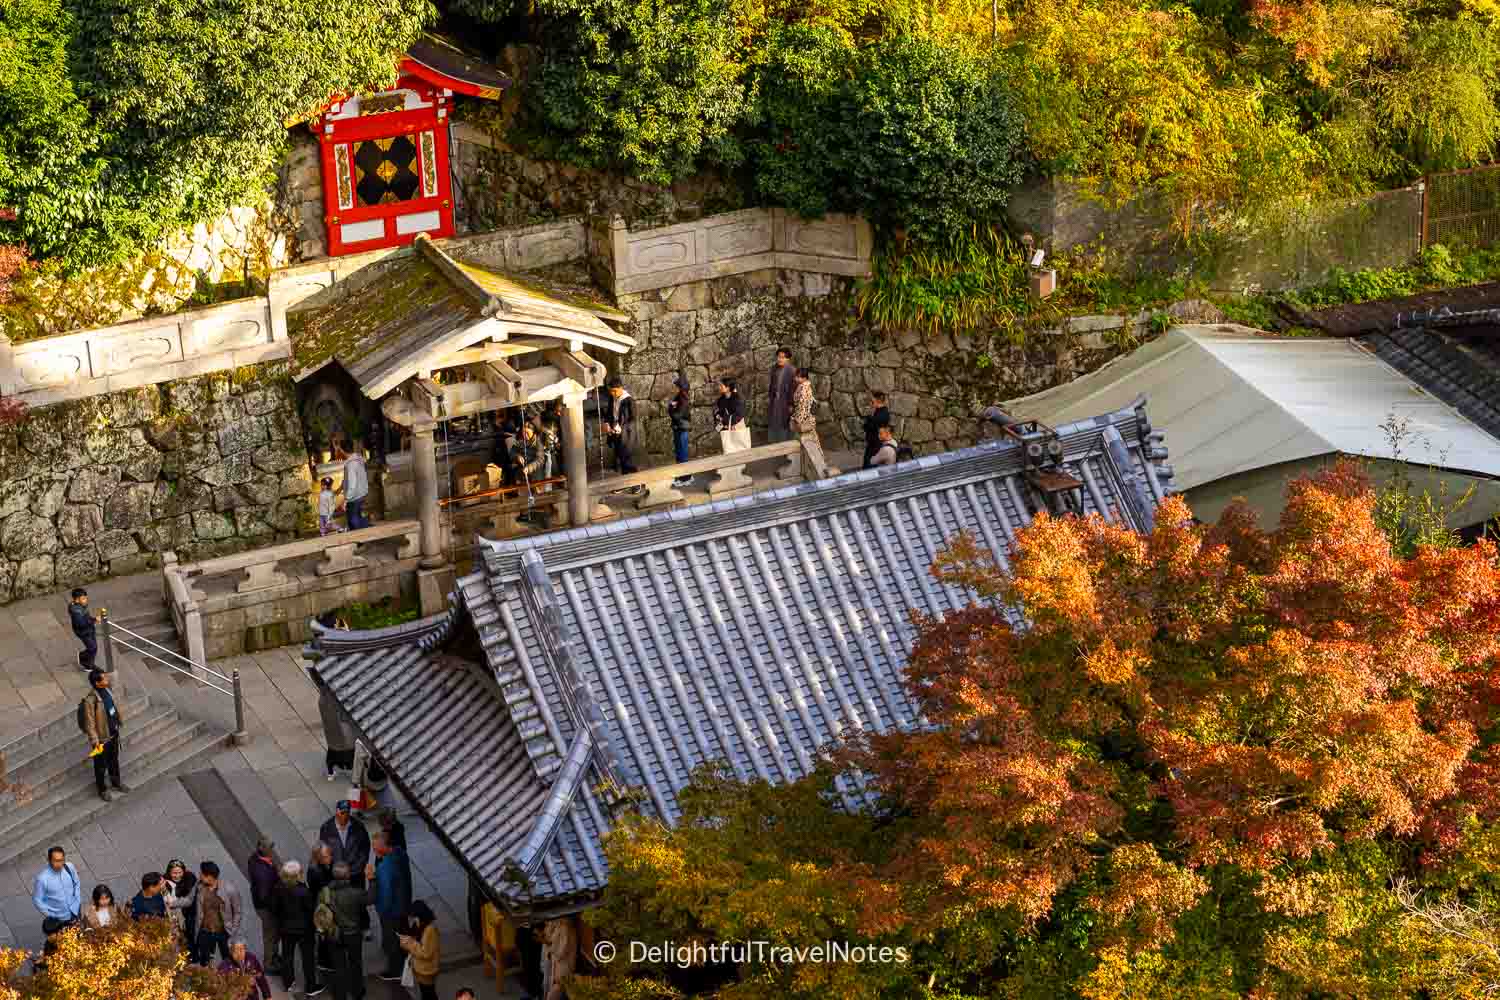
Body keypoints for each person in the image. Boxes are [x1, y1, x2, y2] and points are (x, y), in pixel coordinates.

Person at [272, 860, 323, 996]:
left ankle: (289, 983)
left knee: (287, 956)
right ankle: (311, 986)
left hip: (286, 929)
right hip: (304, 930)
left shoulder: (278, 888)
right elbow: (311, 909)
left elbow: (275, 908)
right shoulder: (303, 891)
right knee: (308, 958)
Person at [369, 831, 413, 981]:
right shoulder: (400, 853)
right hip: (403, 904)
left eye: (375, 847)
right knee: (403, 935)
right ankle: (408, 959)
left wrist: (382, 911)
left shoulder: (384, 867)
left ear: (383, 846)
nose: (373, 849)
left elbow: (386, 894)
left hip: (391, 912)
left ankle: (395, 971)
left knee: (392, 941)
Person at [324, 862, 369, 1000]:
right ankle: (357, 991)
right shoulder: (355, 893)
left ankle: (340, 995)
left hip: (334, 933)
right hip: (353, 934)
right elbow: (371, 898)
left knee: (338, 966)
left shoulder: (326, 892)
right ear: (347, 876)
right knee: (355, 963)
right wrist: (372, 880)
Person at [82, 668, 128, 802]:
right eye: (103, 678)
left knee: (114, 760)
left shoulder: (108, 690)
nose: (107, 679)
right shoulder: (90, 701)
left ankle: (116, 782)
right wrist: (95, 741)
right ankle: (102, 789)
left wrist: (119, 721)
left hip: (113, 733)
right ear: (97, 683)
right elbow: (90, 724)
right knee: (100, 765)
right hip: (101, 739)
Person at [194, 860, 243, 965]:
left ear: (210, 877)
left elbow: (237, 912)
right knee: (204, 961)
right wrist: (172, 903)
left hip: (223, 932)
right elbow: (188, 900)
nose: (200, 876)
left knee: (229, 959)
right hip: (205, 930)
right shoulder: (200, 887)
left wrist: (233, 930)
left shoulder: (230, 889)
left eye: (202, 874)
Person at [248, 837, 283, 977]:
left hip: (261, 904)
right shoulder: (263, 873)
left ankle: (273, 956)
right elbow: (265, 895)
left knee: (272, 933)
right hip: (266, 908)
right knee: (271, 935)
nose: (272, 850)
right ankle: (269, 964)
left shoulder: (254, 858)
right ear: (262, 848)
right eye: (269, 847)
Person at [312, 669, 356, 781]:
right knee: (347, 746)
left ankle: (331, 772)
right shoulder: (339, 692)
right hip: (343, 729)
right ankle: (347, 768)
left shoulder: (323, 697)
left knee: (334, 748)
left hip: (333, 730)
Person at [318, 801, 372, 889]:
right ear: (336, 812)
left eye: (347, 812)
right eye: (342, 813)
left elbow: (364, 850)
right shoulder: (326, 828)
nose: (345, 816)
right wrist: (335, 871)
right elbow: (324, 852)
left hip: (355, 877)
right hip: (335, 878)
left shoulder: (358, 827)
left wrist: (353, 871)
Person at [31, 846, 80, 938]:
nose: (59, 864)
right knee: (62, 941)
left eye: (61, 860)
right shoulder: (42, 879)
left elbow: (76, 882)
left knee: (77, 936)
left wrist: (77, 901)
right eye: (56, 861)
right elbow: (37, 900)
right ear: (49, 860)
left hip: (75, 911)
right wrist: (51, 914)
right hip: (60, 919)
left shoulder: (69, 867)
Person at [398, 900, 441, 1000]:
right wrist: (408, 940)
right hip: (421, 968)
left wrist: (409, 944)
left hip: (426, 969)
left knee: (428, 993)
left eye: (415, 917)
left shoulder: (430, 930)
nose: (413, 919)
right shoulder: (421, 925)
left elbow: (425, 953)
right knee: (426, 992)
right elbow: (416, 940)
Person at [307, 842, 337, 975]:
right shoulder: (317, 872)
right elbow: (325, 891)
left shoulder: (320, 866)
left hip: (321, 902)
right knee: (325, 933)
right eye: (327, 855)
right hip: (322, 905)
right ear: (319, 857)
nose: (330, 857)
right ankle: (325, 961)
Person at [603, 378, 638, 476]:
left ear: (621, 388)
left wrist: (621, 427)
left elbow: (633, 419)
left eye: (615, 391)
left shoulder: (629, 401)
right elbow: (609, 413)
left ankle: (637, 484)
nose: (613, 393)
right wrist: (606, 423)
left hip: (627, 434)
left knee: (627, 459)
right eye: (611, 391)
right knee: (620, 458)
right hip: (616, 432)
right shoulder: (612, 398)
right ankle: (625, 481)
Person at [335, 439, 370, 530]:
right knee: (361, 522)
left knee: (355, 526)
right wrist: (340, 488)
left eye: (338, 449)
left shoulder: (351, 464)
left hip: (354, 498)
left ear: (342, 450)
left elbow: (352, 484)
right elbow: (349, 479)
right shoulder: (358, 459)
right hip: (361, 494)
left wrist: (345, 500)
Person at [164, 858, 197, 950]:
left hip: (190, 907)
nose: (177, 876)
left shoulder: (190, 877)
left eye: (180, 872)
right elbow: (167, 903)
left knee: (191, 927)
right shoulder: (165, 882)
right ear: (169, 873)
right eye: (174, 873)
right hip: (175, 909)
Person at [667, 373, 692, 486]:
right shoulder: (680, 396)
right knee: (680, 452)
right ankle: (683, 476)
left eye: (677, 386)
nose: (675, 388)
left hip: (681, 427)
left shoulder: (683, 398)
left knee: (682, 453)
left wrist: (671, 408)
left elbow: (677, 414)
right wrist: (672, 408)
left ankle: (685, 478)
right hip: (679, 427)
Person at [767, 347, 796, 443]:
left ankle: (786, 446)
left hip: (785, 401)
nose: (780, 359)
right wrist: (770, 397)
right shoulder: (774, 368)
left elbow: (793, 389)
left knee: (785, 423)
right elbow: (771, 385)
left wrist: (791, 404)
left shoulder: (792, 371)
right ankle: (774, 444)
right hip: (775, 400)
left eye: (783, 357)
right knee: (774, 421)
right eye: (778, 357)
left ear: (788, 359)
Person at [713, 377, 749, 454]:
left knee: (739, 450)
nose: (719, 387)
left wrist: (727, 422)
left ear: (728, 388)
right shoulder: (721, 400)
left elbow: (739, 414)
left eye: (721, 386)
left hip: (736, 427)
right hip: (726, 427)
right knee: (728, 449)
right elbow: (718, 412)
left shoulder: (737, 399)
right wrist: (717, 416)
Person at [68, 588, 98, 671]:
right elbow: (82, 624)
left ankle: (87, 661)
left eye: (86, 598)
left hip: (89, 629)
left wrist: (92, 620)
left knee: (93, 647)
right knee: (93, 648)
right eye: (83, 598)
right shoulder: (76, 612)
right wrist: (94, 620)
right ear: (77, 600)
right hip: (83, 632)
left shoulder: (80, 606)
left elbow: (86, 617)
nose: (86, 600)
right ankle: (86, 663)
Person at [862, 391, 892, 469]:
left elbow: (868, 426)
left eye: (873, 401)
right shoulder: (879, 412)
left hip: (876, 444)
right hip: (873, 443)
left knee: (869, 466)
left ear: (877, 400)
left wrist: (869, 419)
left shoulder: (882, 414)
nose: (871, 403)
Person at [790, 368, 818, 441]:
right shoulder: (805, 386)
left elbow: (803, 403)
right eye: (796, 376)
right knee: (811, 436)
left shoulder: (804, 388)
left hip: (803, 414)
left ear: (804, 378)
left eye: (798, 377)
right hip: (806, 413)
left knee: (803, 437)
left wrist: (799, 418)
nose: (796, 378)